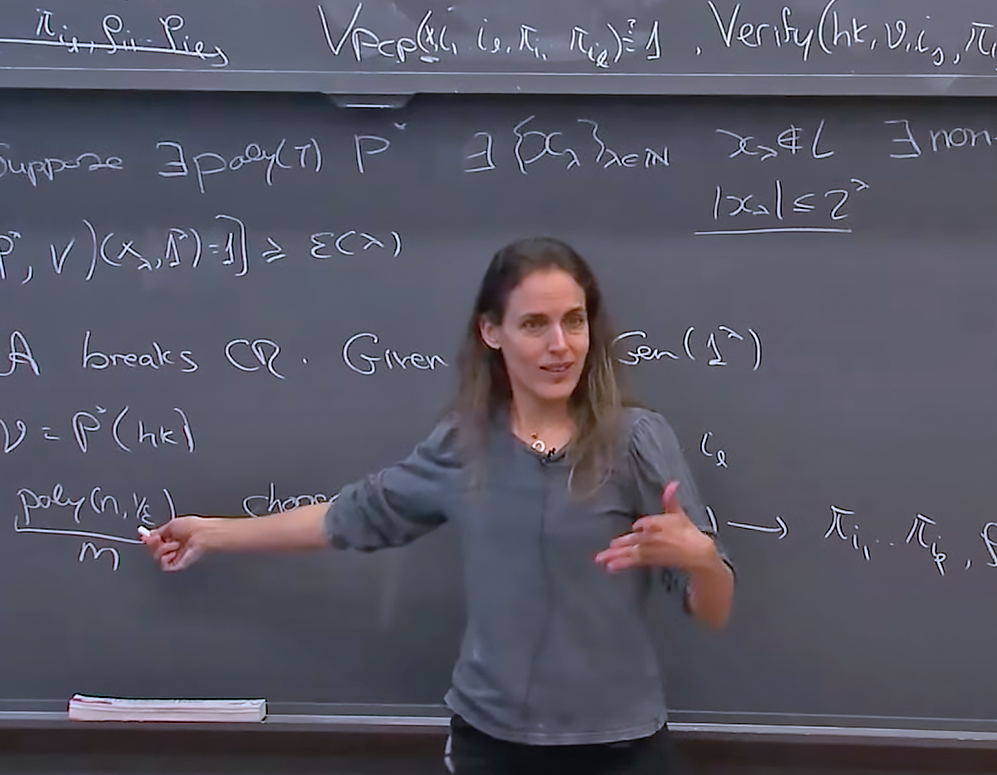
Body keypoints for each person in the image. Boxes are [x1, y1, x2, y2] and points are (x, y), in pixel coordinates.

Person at [141, 236, 733, 774]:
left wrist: (702, 559)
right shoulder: (463, 445)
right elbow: (350, 516)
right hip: (491, 745)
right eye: (534, 324)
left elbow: (713, 609)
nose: (560, 346)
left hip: (619, 747)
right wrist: (214, 534)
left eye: (574, 321)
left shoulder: (635, 440)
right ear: (491, 332)